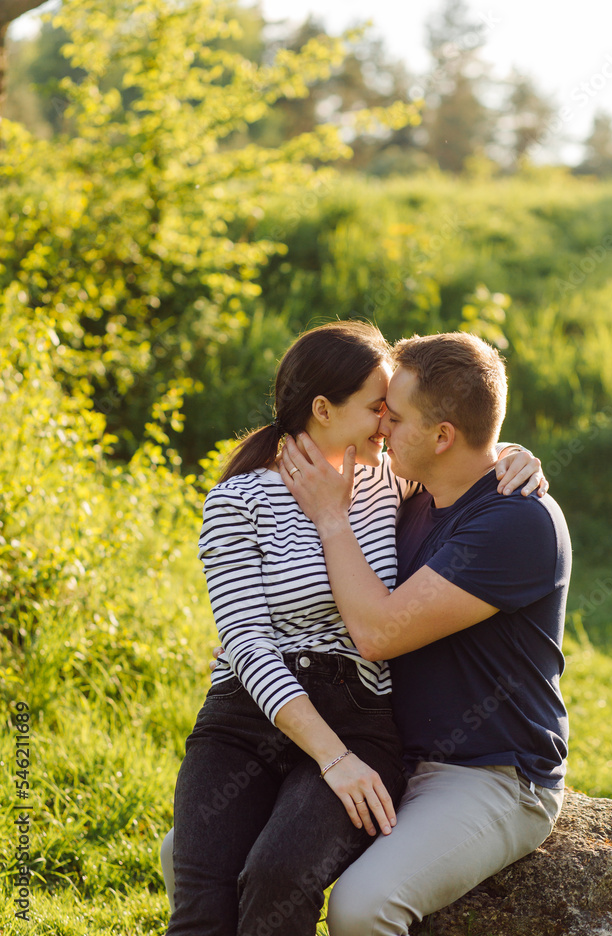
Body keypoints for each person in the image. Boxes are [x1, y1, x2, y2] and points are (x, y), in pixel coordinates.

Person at [162, 321, 545, 936]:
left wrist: (512, 454)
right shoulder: (236, 501)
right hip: (251, 716)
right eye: (377, 410)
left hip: (358, 713)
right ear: (322, 409)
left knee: (276, 878)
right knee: (200, 898)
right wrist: (329, 755)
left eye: (393, 414)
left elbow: (459, 449)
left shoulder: (389, 483)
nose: (387, 427)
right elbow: (244, 643)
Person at [280, 331, 571, 936]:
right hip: (386, 753)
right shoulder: (413, 491)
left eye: (396, 414)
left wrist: (331, 518)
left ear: (443, 436)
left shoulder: (518, 523)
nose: (380, 426)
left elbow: (380, 633)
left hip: (492, 775)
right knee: (191, 851)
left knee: (361, 908)